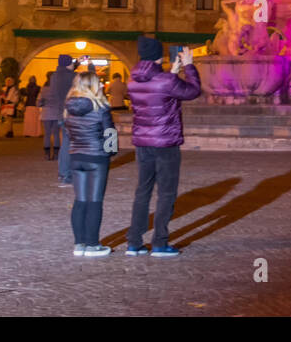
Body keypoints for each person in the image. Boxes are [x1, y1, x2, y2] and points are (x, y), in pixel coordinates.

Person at [126, 37, 202, 257]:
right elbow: (192, 91)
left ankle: (134, 242)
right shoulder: (165, 81)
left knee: (143, 191)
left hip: (143, 142)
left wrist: (171, 73)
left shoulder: (133, 78)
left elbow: (159, 88)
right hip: (165, 142)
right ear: (159, 55)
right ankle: (159, 242)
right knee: (166, 193)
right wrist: (188, 65)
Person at [64, 65, 117, 257]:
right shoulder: (101, 108)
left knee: (80, 201)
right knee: (95, 201)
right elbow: (110, 133)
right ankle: (93, 244)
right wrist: (110, 152)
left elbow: (69, 133)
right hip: (96, 158)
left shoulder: (69, 107)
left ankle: (79, 244)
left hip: (76, 156)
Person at [39, 55, 76, 181]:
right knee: (69, 144)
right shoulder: (71, 76)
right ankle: (66, 173)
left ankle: (62, 172)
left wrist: (77, 63)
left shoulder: (55, 76)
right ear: (67, 64)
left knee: (65, 141)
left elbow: (67, 71)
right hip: (70, 113)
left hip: (60, 113)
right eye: (71, 63)